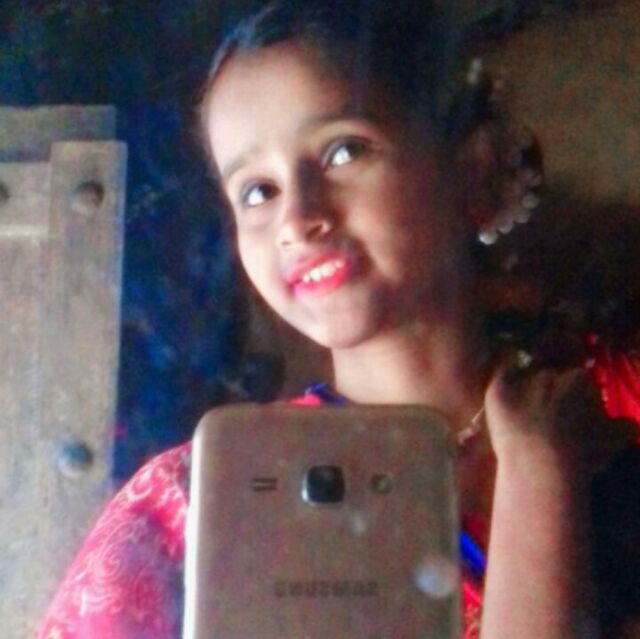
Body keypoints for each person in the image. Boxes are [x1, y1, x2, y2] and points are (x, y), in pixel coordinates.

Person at [37, 2, 640, 638]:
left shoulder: (608, 436)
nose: (298, 218)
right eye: (257, 191)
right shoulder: (191, 505)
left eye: (344, 151)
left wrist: (540, 470)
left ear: (474, 171)